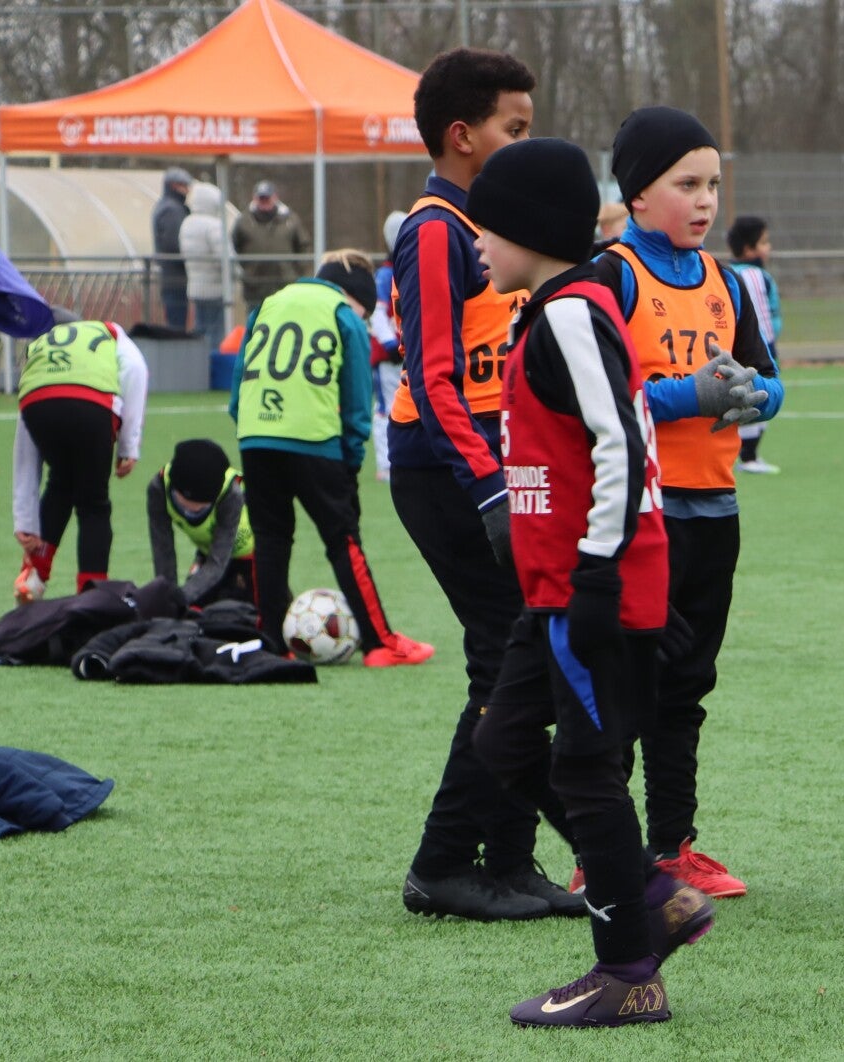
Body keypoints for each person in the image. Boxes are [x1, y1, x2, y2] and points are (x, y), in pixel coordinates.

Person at [463, 136, 714, 1030]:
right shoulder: (551, 311)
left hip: (586, 589)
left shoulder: (572, 312)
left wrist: (604, 574)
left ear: (528, 228)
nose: (476, 243)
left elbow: (625, 444)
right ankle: (652, 894)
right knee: (504, 743)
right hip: (555, 591)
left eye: (486, 227)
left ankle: (628, 972)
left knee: (584, 768)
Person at [390, 48, 581, 922]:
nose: (526, 142)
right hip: (445, 472)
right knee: (504, 660)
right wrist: (491, 490)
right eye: (516, 128)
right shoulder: (434, 229)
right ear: (463, 136)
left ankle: (507, 861)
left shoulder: (496, 226)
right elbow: (432, 380)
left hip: (494, 466)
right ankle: (443, 863)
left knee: (526, 656)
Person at [588, 105, 780, 898]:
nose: (705, 201)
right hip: (642, 514)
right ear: (636, 194)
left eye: (713, 185)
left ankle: (672, 845)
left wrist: (753, 397)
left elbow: (770, 381)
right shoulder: (610, 277)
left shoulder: (726, 282)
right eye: (687, 184)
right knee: (629, 684)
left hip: (714, 512)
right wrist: (687, 397)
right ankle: (602, 850)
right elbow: (599, 394)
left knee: (689, 686)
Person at [230, 250, 433, 669]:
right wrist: (352, 459)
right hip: (314, 441)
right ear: (355, 297)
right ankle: (380, 643)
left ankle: (272, 640)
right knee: (344, 541)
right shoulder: (342, 314)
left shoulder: (265, 306)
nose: (364, 321)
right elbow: (358, 402)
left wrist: (256, 428)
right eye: (366, 314)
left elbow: (236, 394)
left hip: (255, 437)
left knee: (270, 539)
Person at [11, 310, 149, 603]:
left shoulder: (40, 348)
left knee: (61, 482)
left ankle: (33, 575)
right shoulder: (109, 331)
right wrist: (129, 446)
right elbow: (135, 370)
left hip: (38, 403)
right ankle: (91, 594)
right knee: (94, 504)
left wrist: (25, 518)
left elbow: (25, 445)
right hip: (92, 404)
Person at [147, 438, 257, 608]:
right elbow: (163, 550)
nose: (189, 513)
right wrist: (167, 595)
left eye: (200, 510)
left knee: (246, 616)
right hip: (208, 553)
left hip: (252, 559)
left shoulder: (231, 495)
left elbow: (217, 563)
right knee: (192, 612)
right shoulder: (158, 488)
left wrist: (181, 597)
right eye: (183, 507)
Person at [727, 215, 781, 475]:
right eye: (764, 242)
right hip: (758, 349)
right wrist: (769, 346)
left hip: (730, 348)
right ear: (749, 249)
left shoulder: (725, 272)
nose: (768, 248)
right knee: (759, 395)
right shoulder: (757, 276)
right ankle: (748, 456)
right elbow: (764, 317)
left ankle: (747, 454)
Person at [369, 210, 407, 483]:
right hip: (389, 354)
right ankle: (385, 463)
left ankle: (400, 457)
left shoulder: (405, 269)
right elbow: (377, 312)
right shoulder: (385, 275)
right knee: (385, 406)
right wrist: (390, 343)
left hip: (406, 351)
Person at [231, 180, 310, 310]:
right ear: (254, 198)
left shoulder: (291, 219)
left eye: (267, 198)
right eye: (261, 198)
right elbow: (235, 246)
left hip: (285, 286)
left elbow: (303, 246)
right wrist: (248, 269)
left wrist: (296, 272)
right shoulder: (243, 221)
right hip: (254, 288)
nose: (264, 202)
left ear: (275, 197)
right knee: (255, 320)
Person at [179, 182, 227, 353]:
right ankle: (212, 365)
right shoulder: (214, 226)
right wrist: (236, 273)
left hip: (195, 286)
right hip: (215, 288)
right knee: (216, 333)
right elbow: (224, 257)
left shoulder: (187, 223)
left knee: (200, 328)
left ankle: (197, 363)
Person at [153, 167, 192, 329]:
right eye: (184, 185)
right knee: (176, 324)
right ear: (174, 185)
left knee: (176, 320)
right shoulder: (172, 210)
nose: (188, 189)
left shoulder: (169, 206)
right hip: (175, 277)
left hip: (173, 276)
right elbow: (173, 243)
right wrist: (189, 258)